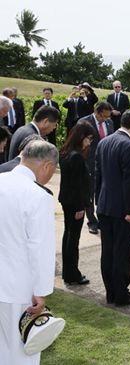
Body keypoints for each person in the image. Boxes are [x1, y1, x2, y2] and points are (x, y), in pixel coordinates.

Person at [0, 140, 58, 365]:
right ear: (46, 166)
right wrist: (42, 291)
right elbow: (41, 248)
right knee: (23, 349)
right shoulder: (38, 196)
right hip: (18, 286)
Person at [95, 109, 130, 306]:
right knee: (122, 252)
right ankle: (121, 294)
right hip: (121, 210)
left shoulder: (104, 141)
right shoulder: (128, 145)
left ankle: (111, 292)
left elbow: (98, 176)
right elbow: (129, 182)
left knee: (107, 250)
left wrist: (98, 201)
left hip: (105, 205)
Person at [59, 121, 97, 285]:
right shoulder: (76, 157)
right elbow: (77, 185)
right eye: (88, 139)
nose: (89, 143)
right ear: (81, 137)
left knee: (68, 236)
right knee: (73, 239)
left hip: (67, 200)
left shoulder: (66, 153)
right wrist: (80, 207)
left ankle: (68, 272)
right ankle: (72, 273)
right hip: (75, 203)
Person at [78, 101, 114, 234]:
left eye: (107, 117)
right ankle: (92, 221)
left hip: (106, 162)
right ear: (96, 112)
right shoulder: (84, 122)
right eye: (103, 116)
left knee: (102, 190)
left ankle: (103, 218)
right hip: (89, 162)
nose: (105, 119)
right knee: (89, 192)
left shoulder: (110, 123)